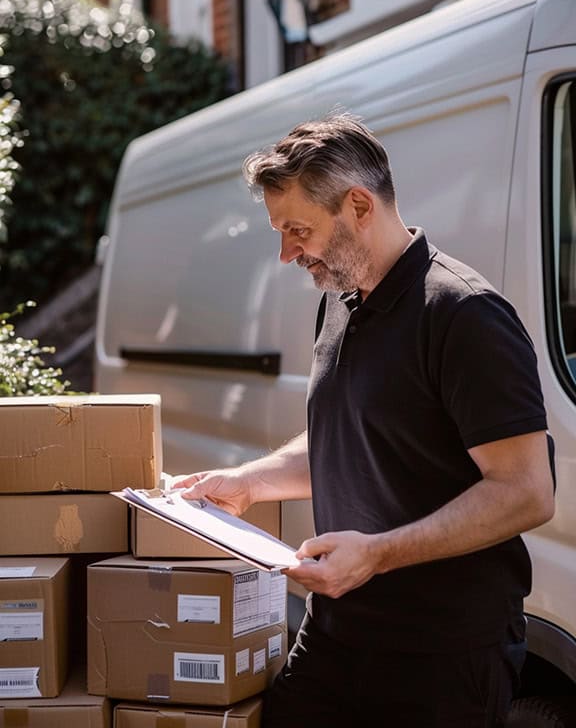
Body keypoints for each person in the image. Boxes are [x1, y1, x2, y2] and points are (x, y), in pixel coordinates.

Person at [173, 112, 555, 727]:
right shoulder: (339, 303)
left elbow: (527, 493)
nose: (286, 252)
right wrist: (250, 481)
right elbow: (349, 438)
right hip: (336, 632)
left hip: (441, 657)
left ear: (357, 205)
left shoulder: (466, 315)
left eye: (297, 230)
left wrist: (376, 555)